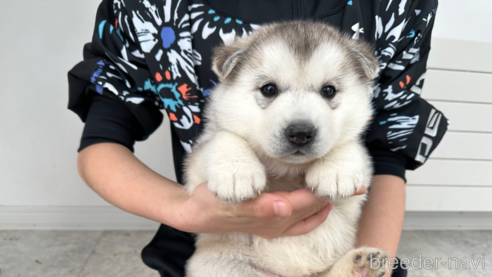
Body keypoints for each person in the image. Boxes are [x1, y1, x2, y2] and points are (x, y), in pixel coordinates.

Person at [68, 0, 448, 276]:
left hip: (337, 255)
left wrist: (341, 160)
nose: (301, 123)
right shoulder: (143, 8)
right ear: (227, 80)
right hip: (234, 255)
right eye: (268, 89)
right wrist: (185, 210)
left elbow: (385, 153)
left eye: (328, 91)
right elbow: (102, 140)